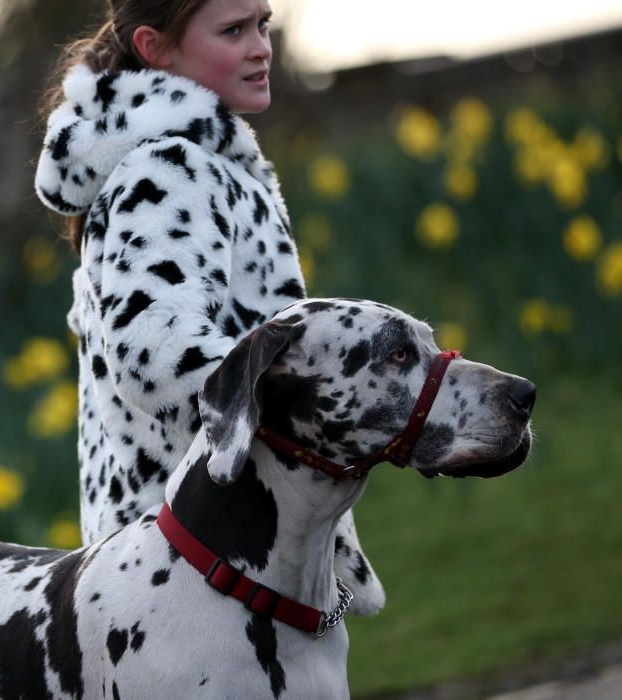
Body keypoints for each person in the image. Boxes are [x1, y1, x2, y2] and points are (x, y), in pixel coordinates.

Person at [35, 0, 385, 614]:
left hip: (198, 559)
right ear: (155, 47)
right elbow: (155, 358)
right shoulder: (171, 168)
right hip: (194, 568)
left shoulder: (189, 162)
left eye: (263, 25)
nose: (261, 48)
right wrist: (317, 395)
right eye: (233, 30)